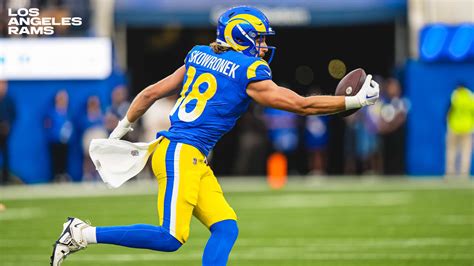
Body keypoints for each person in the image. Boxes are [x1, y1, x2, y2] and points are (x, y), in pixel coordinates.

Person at [50, 6, 379, 266]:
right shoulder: (248, 71)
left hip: (189, 154)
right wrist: (352, 100)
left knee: (226, 227)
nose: (264, 46)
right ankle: (82, 233)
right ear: (242, 37)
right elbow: (301, 105)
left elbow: (150, 93)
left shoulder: (198, 55)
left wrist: (121, 129)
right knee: (171, 236)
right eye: (259, 38)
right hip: (181, 152)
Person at [44, 90, 73, 182]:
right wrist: (54, 135)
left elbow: (70, 126)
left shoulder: (68, 113)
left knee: (64, 158)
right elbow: (49, 125)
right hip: (54, 140)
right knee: (55, 158)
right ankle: (56, 176)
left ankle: (63, 175)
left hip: (65, 141)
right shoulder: (52, 112)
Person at [445, 84, 474, 178]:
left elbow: (449, 110)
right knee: (466, 152)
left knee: (451, 151)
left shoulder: (455, 95)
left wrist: (447, 122)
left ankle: (450, 173)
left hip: (454, 127)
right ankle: (464, 173)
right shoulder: (471, 97)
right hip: (467, 127)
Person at [0, 80, 16, 185]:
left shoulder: (9, 100)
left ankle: (5, 179)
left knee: (6, 155)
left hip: (5, 133)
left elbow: (13, 114)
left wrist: (8, 125)